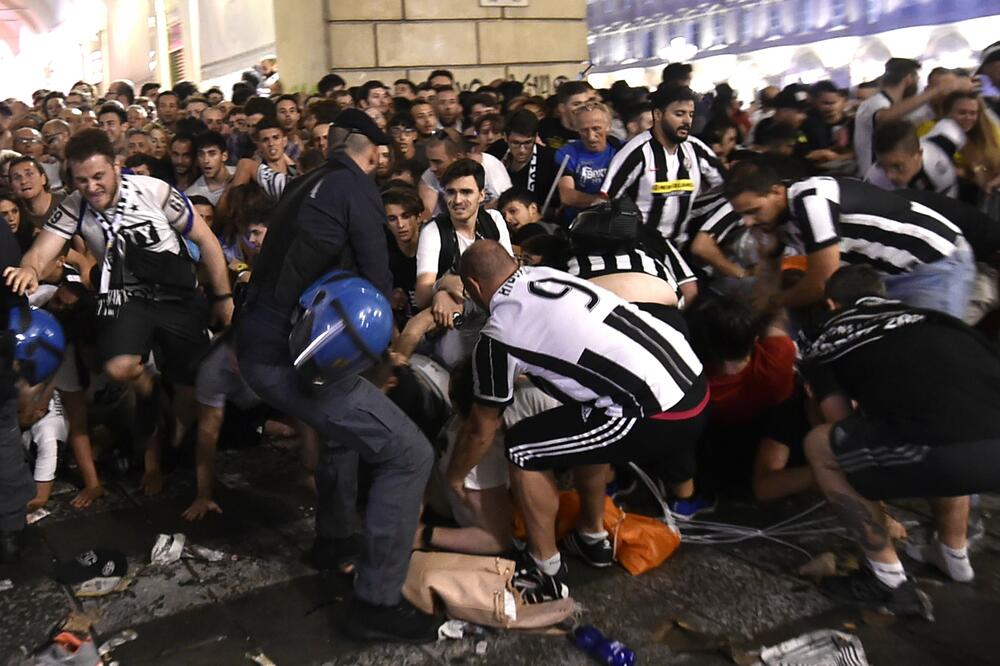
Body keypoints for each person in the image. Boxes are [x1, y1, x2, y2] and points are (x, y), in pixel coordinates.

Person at [235, 109, 439, 642]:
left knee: (341, 433)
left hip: (259, 345)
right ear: (372, 152)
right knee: (408, 453)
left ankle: (332, 540)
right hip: (291, 356)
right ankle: (376, 601)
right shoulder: (358, 191)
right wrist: (390, 360)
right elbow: (374, 286)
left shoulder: (308, 182)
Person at [448, 240, 708, 602]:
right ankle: (591, 536)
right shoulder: (547, 275)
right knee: (583, 422)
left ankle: (544, 566)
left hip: (656, 412)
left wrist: (456, 476)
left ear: (474, 286)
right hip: (692, 379)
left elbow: (480, 427)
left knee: (523, 447)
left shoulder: (498, 335)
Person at [4, 129, 232, 495]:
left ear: (115, 166)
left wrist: (223, 296)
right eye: (82, 180)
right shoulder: (74, 207)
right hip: (126, 294)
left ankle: (173, 431)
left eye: (99, 176)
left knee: (188, 400)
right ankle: (147, 386)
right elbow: (43, 249)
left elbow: (206, 240)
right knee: (118, 367)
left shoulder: (154, 191)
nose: (92, 187)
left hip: (175, 292)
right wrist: (29, 269)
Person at [799, 266, 1000, 615]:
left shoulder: (826, 335)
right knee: (941, 420)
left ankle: (887, 581)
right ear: (885, 296)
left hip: (946, 450)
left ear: (831, 304)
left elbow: (839, 418)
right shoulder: (934, 318)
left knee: (822, 445)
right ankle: (953, 554)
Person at [724, 158, 975, 317]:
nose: (748, 222)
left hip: (936, 265)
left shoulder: (813, 201)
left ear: (777, 192)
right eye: (742, 215)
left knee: (935, 353)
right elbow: (769, 269)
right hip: (891, 274)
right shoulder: (776, 214)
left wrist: (774, 302)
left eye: (753, 211)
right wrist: (767, 276)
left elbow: (822, 282)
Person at [602, 85, 725, 248]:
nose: (687, 121)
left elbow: (725, 186)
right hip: (641, 247)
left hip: (680, 244)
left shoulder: (695, 148)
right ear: (658, 115)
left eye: (691, 114)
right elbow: (606, 200)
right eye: (679, 114)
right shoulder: (635, 152)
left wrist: (695, 212)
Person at [415, 158, 513, 316]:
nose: (457, 200)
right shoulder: (433, 231)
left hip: (496, 308)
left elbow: (511, 274)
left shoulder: (493, 220)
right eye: (451, 192)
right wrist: (442, 285)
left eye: (466, 192)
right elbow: (421, 297)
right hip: (454, 316)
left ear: (481, 195)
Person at [852, 58, 967, 177]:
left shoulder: (895, 107)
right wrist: (937, 90)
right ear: (909, 79)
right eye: (917, 79)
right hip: (875, 180)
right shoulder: (875, 104)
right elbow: (884, 117)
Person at [418, 128, 510, 218]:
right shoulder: (430, 176)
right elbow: (425, 216)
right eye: (430, 161)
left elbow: (508, 202)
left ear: (458, 157)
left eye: (438, 162)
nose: (432, 168)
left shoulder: (489, 165)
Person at [867, 119, 965, 197]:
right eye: (882, 166)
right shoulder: (873, 182)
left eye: (897, 167)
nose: (889, 176)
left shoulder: (945, 144)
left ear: (919, 154)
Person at [556, 101, 618, 222]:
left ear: (608, 127)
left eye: (596, 129)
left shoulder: (622, 150)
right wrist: (600, 202)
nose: (591, 136)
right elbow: (567, 195)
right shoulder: (567, 154)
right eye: (584, 130)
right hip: (580, 221)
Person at [497, 109, 559, 213]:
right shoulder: (497, 151)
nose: (522, 150)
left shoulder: (550, 159)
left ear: (536, 137)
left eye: (528, 143)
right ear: (505, 137)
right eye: (515, 143)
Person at [538, 81, 596, 150]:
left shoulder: (595, 130)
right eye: (576, 104)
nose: (583, 108)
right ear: (562, 108)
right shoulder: (545, 127)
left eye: (586, 103)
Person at [186, 131, 235, 206]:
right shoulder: (192, 195)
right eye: (201, 154)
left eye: (212, 154)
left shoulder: (241, 173)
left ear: (224, 156)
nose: (206, 160)